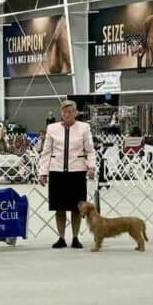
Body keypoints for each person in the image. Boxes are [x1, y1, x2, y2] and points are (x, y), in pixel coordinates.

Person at [38, 100, 96, 249]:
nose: (67, 114)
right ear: (61, 113)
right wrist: (43, 172)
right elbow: (46, 152)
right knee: (59, 208)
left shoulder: (84, 128)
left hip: (77, 172)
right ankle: (61, 238)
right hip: (57, 172)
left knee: (77, 208)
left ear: (75, 113)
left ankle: (76, 237)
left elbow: (90, 150)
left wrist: (91, 167)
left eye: (70, 112)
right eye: (65, 112)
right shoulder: (52, 128)